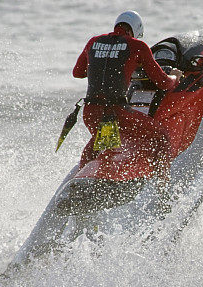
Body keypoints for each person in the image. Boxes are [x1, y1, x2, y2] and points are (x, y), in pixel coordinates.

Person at [72, 11, 182, 181]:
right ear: (136, 31)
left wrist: (101, 67)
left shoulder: (93, 42)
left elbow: (78, 73)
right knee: (161, 137)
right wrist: (175, 77)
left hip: (91, 113)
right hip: (118, 115)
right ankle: (162, 191)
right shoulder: (137, 46)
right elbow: (163, 82)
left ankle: (80, 181)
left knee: (99, 142)